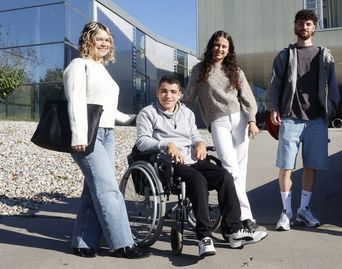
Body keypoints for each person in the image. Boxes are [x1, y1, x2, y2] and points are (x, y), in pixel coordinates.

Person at [135, 74, 267, 257]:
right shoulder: (147, 113)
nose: (168, 96)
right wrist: (166, 145)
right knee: (197, 180)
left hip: (193, 159)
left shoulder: (187, 113)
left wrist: (200, 143)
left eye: (173, 92)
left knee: (224, 176)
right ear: (157, 92)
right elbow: (141, 142)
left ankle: (234, 230)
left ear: (180, 94)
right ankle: (204, 236)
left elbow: (194, 135)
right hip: (169, 162)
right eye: (164, 91)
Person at [63, 22, 149, 259]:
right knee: (109, 189)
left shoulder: (101, 68)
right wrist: (79, 136)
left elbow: (106, 108)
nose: (104, 44)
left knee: (94, 190)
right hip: (88, 136)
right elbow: (76, 102)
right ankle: (123, 243)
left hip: (107, 134)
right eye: (99, 39)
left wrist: (132, 118)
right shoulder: (78, 65)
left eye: (107, 40)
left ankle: (83, 243)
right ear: (88, 40)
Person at [264, 9, 340, 231]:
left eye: (308, 24)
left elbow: (333, 87)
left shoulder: (325, 56)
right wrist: (273, 108)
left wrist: (330, 111)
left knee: (311, 166)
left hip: (316, 120)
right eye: (300, 23)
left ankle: (303, 209)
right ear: (295, 26)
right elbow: (274, 84)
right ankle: (286, 212)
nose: (304, 27)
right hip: (290, 118)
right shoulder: (285, 55)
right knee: (286, 166)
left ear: (314, 27)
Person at [183, 30, 260, 231]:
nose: (220, 49)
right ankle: (244, 216)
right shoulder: (199, 70)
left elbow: (247, 97)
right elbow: (189, 98)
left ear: (229, 50)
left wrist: (252, 120)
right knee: (230, 167)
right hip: (217, 122)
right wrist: (176, 115)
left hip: (240, 120)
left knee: (240, 170)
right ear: (211, 46)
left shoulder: (235, 70)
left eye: (224, 46)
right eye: (217, 45)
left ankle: (236, 213)